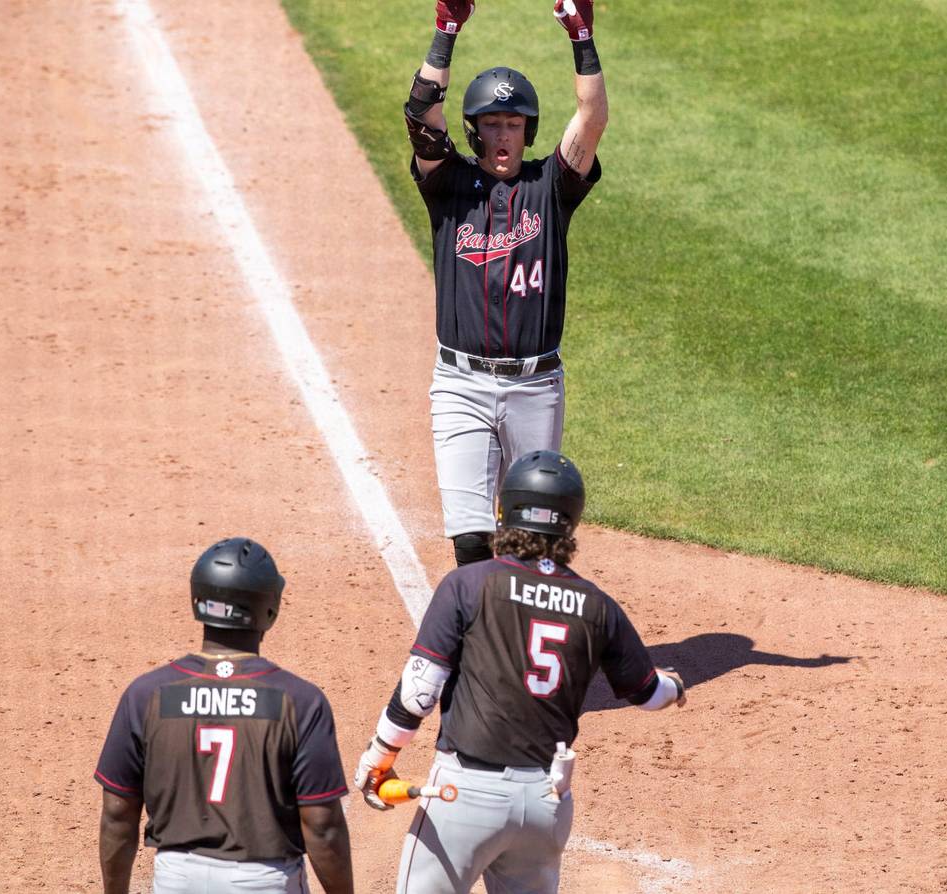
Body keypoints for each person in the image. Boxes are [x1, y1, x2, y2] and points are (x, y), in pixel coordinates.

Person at [352, 450, 687, 893]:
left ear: (504, 511)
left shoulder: (468, 584)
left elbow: (419, 691)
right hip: (546, 803)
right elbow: (650, 694)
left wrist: (379, 758)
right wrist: (676, 685)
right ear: (570, 522)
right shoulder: (596, 605)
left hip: (465, 797)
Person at [406, 0, 608, 567]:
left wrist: (582, 37)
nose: (502, 135)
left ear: (528, 131)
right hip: (460, 386)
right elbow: (421, 113)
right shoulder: (447, 185)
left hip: (535, 388)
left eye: (513, 124)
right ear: (473, 130)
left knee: (538, 541)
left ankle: (529, 644)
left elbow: (591, 118)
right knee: (472, 541)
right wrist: (446, 28)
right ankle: (479, 652)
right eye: (492, 123)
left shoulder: (552, 185)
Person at [95, 537, 354, 894]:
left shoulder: (145, 695)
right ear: (269, 608)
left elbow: (117, 813)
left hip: (176, 880)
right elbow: (322, 827)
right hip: (263, 882)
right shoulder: (300, 701)